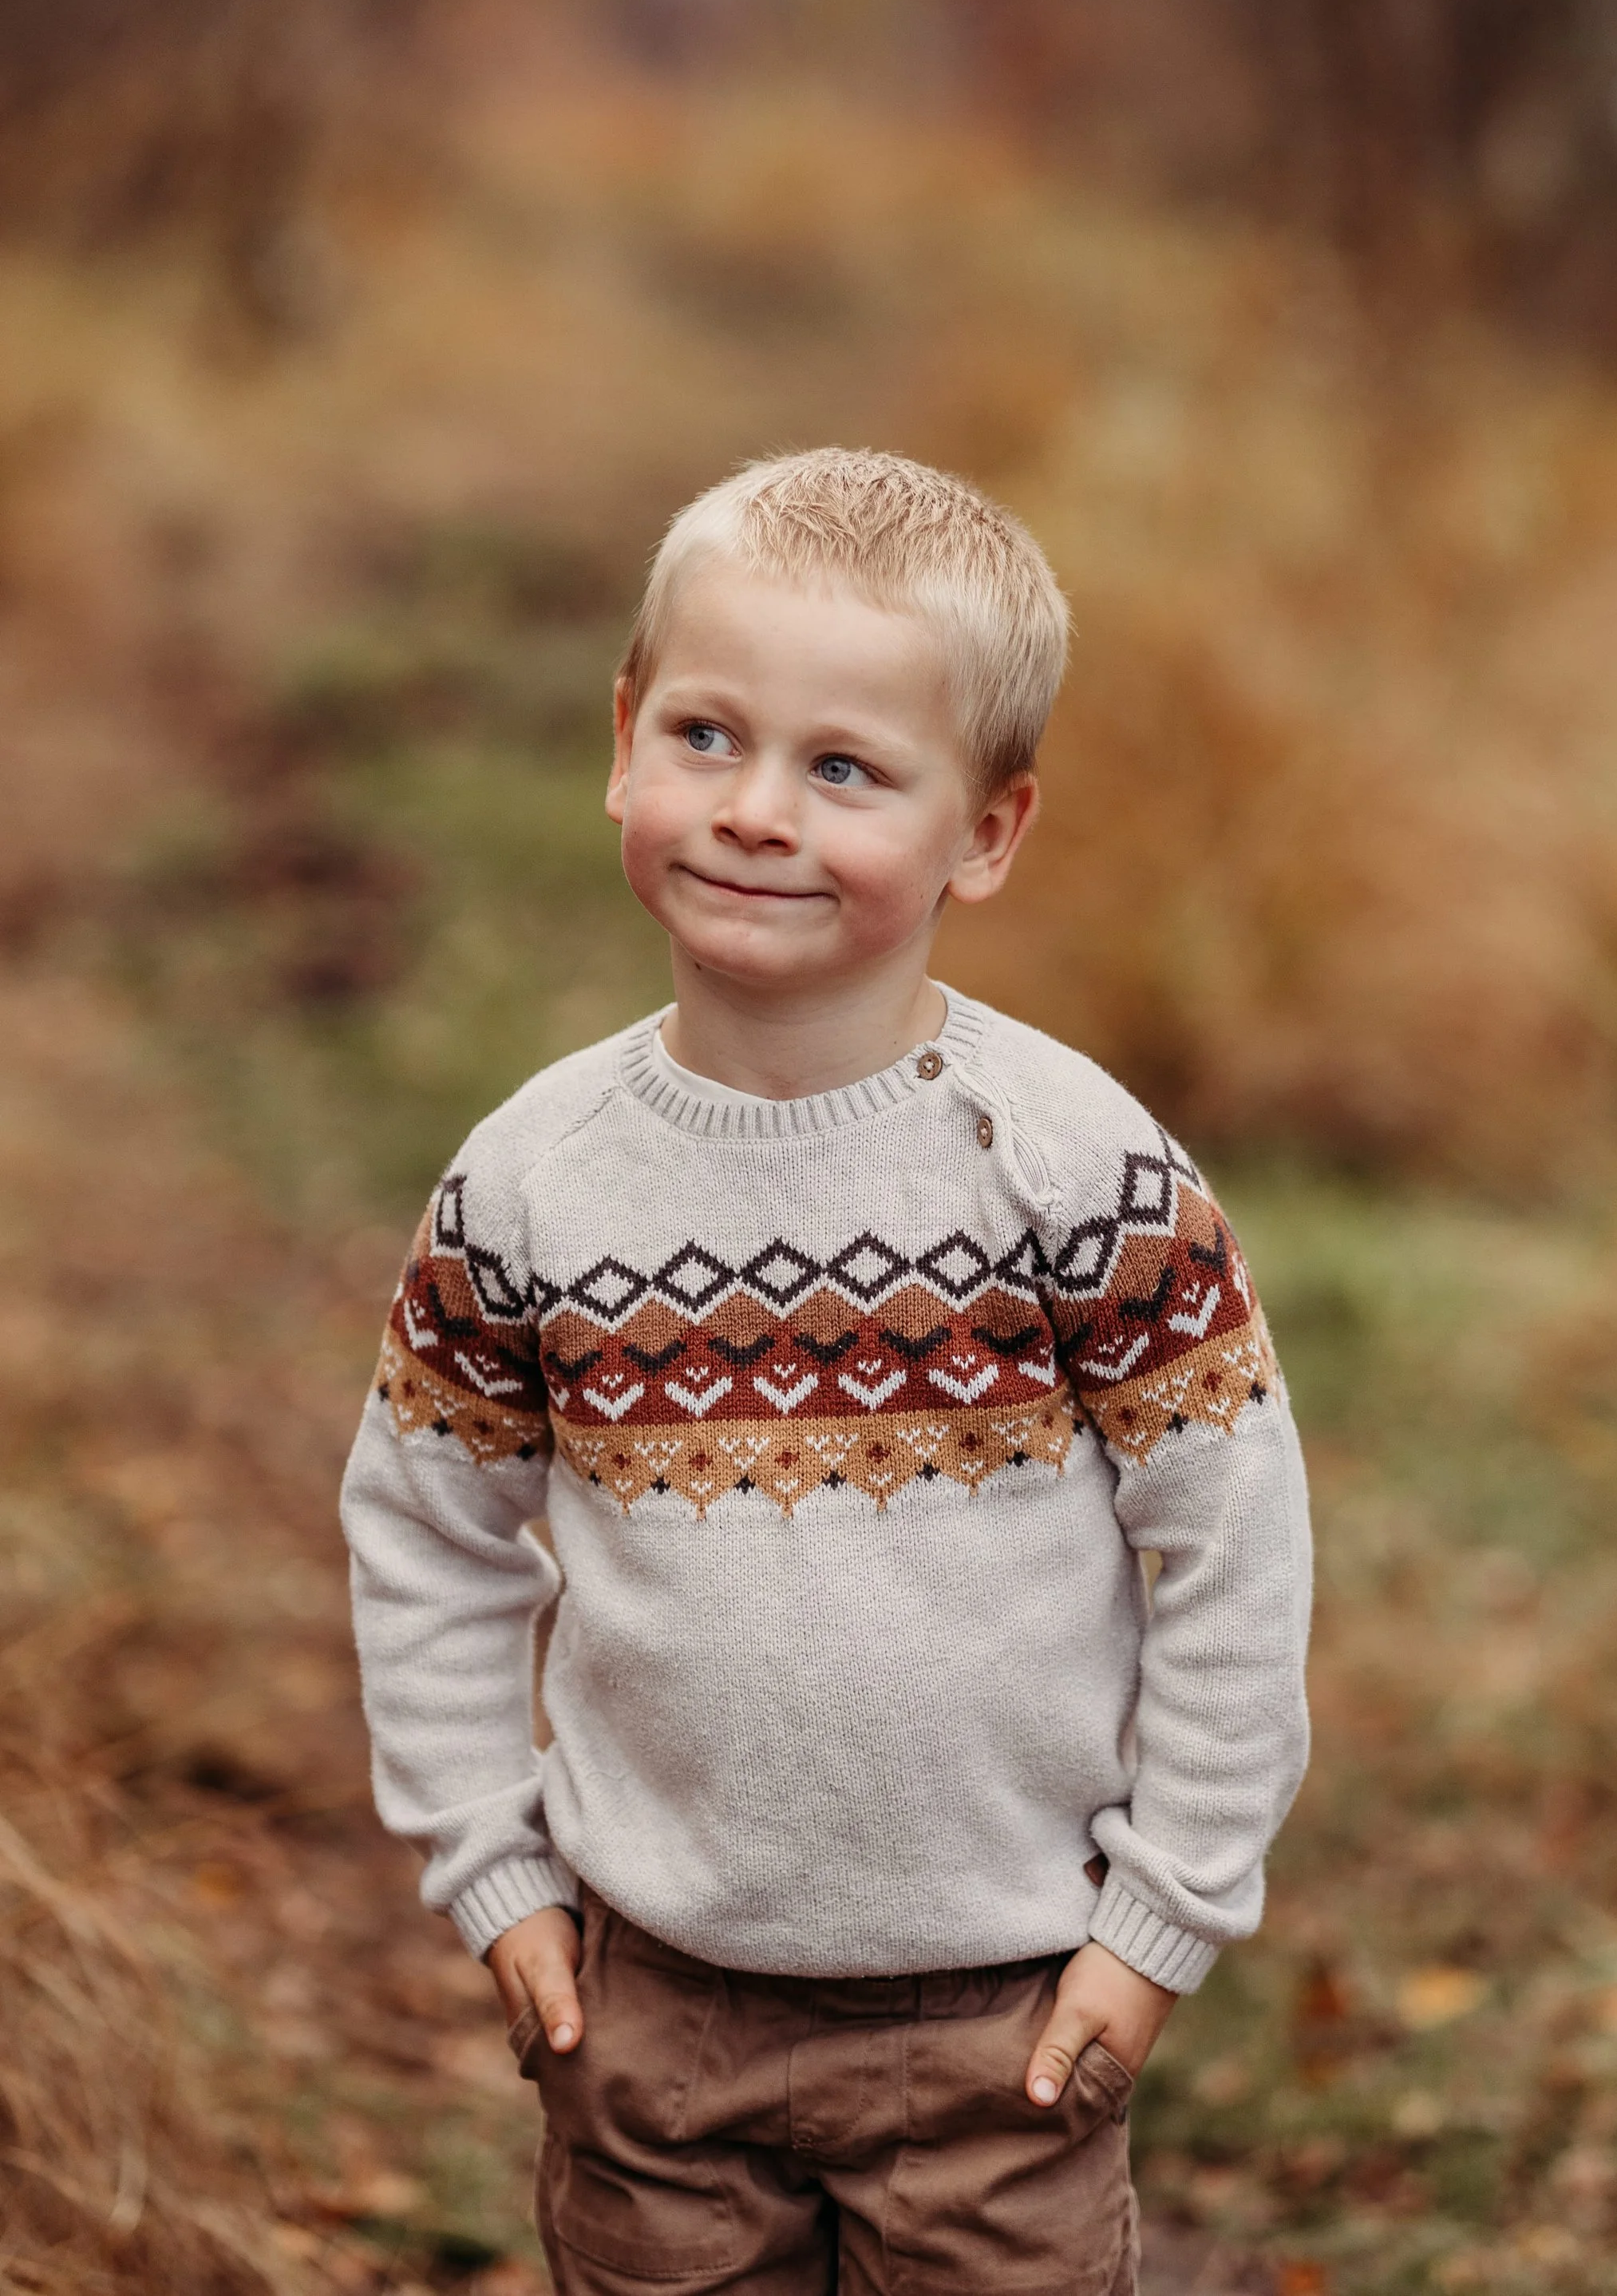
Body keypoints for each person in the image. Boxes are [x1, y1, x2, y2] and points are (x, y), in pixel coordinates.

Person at [340, 446, 1312, 2294]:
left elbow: (1232, 1550)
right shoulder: (531, 1181)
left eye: (844, 769)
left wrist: (1158, 1921)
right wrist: (490, 1865)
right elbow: (427, 1530)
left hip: (1005, 2015)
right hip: (651, 2015)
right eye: (707, 735)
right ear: (622, 736)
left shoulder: (1078, 1173)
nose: (756, 811)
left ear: (987, 832)